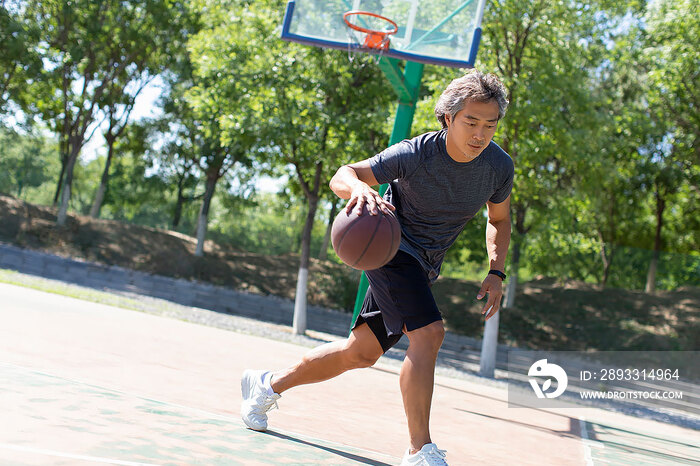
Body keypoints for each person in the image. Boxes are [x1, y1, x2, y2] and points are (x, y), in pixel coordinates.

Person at [241, 69, 513, 466]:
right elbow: (343, 174)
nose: (480, 134)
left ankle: (266, 386)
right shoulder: (415, 153)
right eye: (471, 122)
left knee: (360, 353)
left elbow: (500, 219)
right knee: (429, 335)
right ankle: (420, 450)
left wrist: (496, 270)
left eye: (490, 125)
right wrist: (360, 188)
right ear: (448, 118)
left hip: (424, 267)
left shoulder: (497, 166)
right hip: (390, 250)